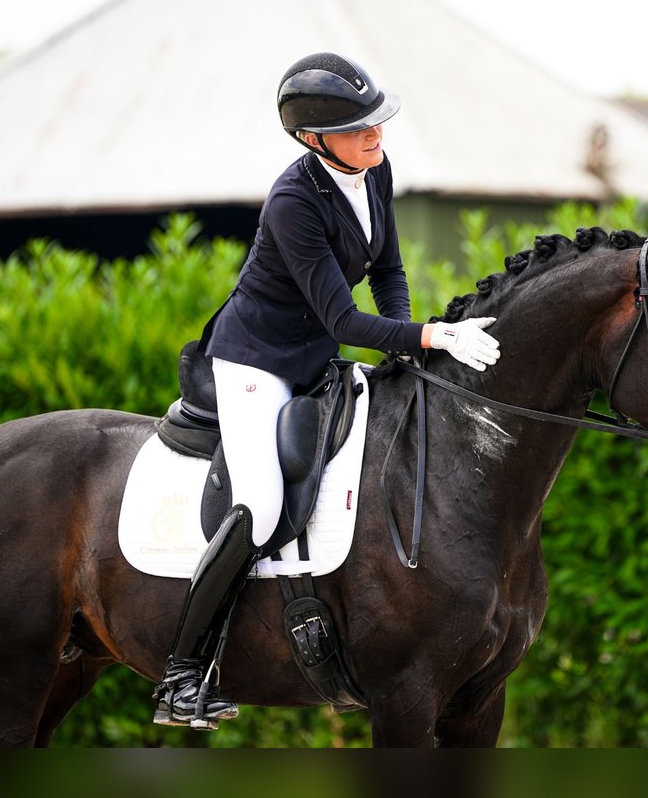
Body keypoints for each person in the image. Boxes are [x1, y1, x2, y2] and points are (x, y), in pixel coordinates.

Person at [152, 52, 501, 728]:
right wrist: (433, 337)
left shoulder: (375, 169)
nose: (377, 136)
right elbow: (342, 317)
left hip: (314, 358)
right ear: (314, 140)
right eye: (360, 128)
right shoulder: (292, 200)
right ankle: (182, 673)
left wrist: (407, 341)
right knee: (258, 501)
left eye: (378, 124)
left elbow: (389, 270)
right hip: (256, 363)